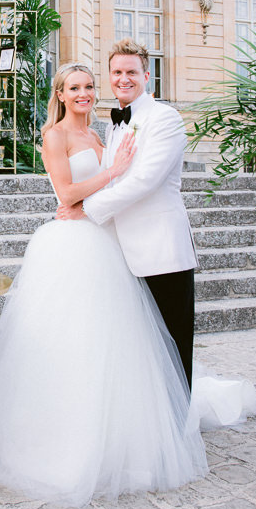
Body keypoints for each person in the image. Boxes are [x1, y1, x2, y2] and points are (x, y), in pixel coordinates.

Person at [0, 63, 210, 505]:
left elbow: (128, 183)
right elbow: (66, 194)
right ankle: (66, 437)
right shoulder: (56, 136)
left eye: (90, 86)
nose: (85, 93)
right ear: (61, 94)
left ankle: (122, 430)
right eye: (75, 87)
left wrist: (108, 183)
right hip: (72, 244)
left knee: (112, 344)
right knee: (70, 341)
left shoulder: (102, 134)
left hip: (108, 242)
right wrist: (111, 174)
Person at [64, 38, 197, 387]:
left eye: (131, 72)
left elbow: (144, 181)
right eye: (117, 72)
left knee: (173, 346)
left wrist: (86, 210)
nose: (124, 78)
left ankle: (179, 428)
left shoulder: (165, 118)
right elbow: (111, 180)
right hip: (121, 253)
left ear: (147, 75)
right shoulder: (113, 124)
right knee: (142, 350)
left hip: (161, 251)